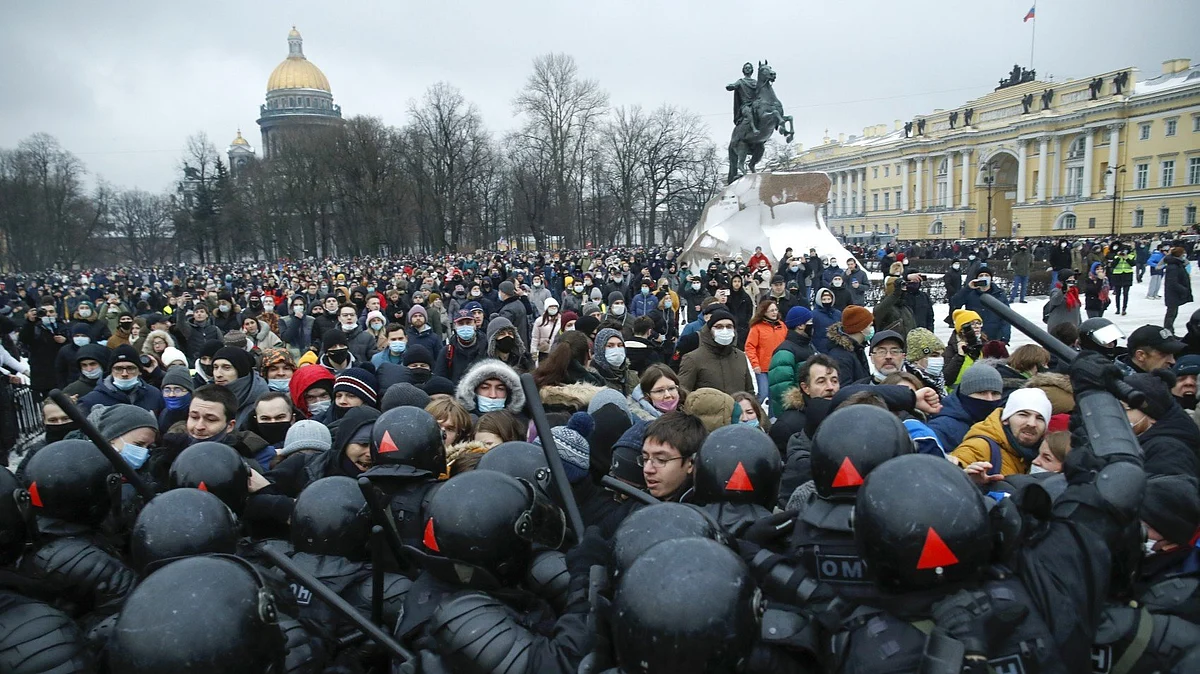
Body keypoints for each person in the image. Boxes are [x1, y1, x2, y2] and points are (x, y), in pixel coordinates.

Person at [951, 386, 1052, 477]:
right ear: (1006, 419)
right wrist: (970, 480)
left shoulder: (1042, 456)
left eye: (1040, 418)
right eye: (1023, 415)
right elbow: (948, 479)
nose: (1032, 423)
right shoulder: (979, 447)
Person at [1123, 369, 1200, 481]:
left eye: (1125, 408)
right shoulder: (1145, 441)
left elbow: (1168, 494)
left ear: (1152, 415)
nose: (1118, 414)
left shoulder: (1169, 451)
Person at [926, 363, 1005, 450]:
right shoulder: (942, 427)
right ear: (965, 395)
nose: (989, 399)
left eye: (995, 393)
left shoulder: (1003, 424)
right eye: (981, 393)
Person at [678, 309, 754, 394]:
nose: (725, 330)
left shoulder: (740, 356)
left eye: (729, 326)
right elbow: (683, 393)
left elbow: (749, 391)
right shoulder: (693, 359)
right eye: (719, 327)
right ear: (709, 330)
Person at [78, 343, 164, 415]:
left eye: (130, 368)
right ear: (111, 371)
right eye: (118, 369)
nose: (124, 374)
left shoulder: (155, 395)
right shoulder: (91, 401)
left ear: (140, 371)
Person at [640, 411, 707, 500]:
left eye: (661, 460)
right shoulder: (636, 502)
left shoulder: (705, 511)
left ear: (691, 463)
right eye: (645, 458)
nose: (647, 469)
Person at [948, 265, 1011, 343]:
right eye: (981, 275)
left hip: (994, 336)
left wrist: (1005, 337)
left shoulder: (999, 294)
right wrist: (968, 288)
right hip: (974, 336)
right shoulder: (970, 293)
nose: (984, 277)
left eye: (987, 275)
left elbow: (1006, 317)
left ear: (991, 278)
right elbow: (955, 303)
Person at [19, 297, 66, 399]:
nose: (48, 314)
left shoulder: (63, 326)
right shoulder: (35, 328)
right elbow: (24, 339)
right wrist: (30, 321)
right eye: (45, 312)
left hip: (61, 373)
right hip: (43, 375)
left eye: (51, 311)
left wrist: (65, 341)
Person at [745, 298, 787, 402]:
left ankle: (772, 417)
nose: (774, 313)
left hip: (778, 366)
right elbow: (750, 347)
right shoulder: (757, 327)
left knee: (774, 394)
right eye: (771, 311)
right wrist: (755, 364)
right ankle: (754, 411)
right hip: (762, 367)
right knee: (763, 393)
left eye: (776, 310)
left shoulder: (782, 326)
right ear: (764, 312)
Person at [454, 358, 526, 417]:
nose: (493, 395)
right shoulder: (460, 424)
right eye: (485, 388)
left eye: (500, 389)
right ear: (473, 391)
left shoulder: (522, 427)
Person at [824, 305, 873, 385]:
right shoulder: (841, 356)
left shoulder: (857, 349)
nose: (872, 329)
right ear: (861, 328)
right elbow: (844, 389)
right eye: (870, 325)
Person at [1118, 324, 1185, 375]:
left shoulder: (1167, 377)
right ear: (1141, 355)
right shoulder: (1117, 386)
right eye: (1163, 354)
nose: (1172, 361)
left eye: (1172, 354)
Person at [590, 327, 639, 395]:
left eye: (620, 345)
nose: (616, 350)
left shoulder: (632, 377)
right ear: (600, 349)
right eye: (610, 346)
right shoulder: (592, 379)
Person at [1163, 246, 1193, 334]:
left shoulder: (1177, 264)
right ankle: (1168, 331)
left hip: (1175, 293)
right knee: (1171, 313)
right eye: (1183, 253)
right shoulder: (1173, 266)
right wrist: (1184, 290)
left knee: (1173, 313)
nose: (1184, 255)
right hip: (1173, 293)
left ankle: (1169, 330)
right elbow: (1173, 282)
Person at [531, 297, 562, 365]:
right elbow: (535, 338)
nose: (553, 309)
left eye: (555, 307)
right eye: (551, 307)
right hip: (544, 352)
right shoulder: (539, 321)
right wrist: (534, 353)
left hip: (557, 352)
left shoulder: (561, 320)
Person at [810, 287, 841, 353]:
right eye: (823, 299)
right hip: (820, 347)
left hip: (836, 347)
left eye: (829, 299)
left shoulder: (837, 313)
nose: (826, 301)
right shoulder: (813, 314)